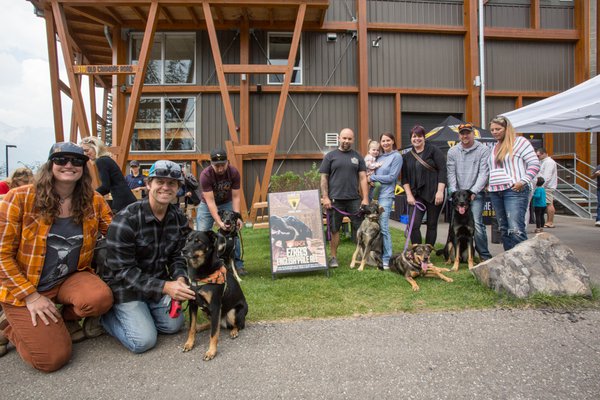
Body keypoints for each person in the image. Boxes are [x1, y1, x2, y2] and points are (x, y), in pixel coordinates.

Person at [0, 142, 113, 372]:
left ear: (84, 166)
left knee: (100, 299)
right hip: (25, 286)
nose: (69, 165)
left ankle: (61, 320)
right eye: (62, 160)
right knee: (52, 359)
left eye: (76, 161)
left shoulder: (93, 201)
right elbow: (1, 256)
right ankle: (8, 325)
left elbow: (117, 232)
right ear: (50, 164)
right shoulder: (19, 198)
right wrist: (31, 297)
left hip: (67, 278)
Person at [101, 160, 195, 354]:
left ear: (178, 188)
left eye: (172, 183)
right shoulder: (126, 219)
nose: (165, 187)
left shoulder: (178, 218)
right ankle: (106, 317)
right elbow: (123, 271)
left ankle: (143, 314)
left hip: (155, 285)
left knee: (173, 326)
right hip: (125, 287)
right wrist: (166, 287)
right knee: (143, 341)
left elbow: (178, 256)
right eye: (159, 181)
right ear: (148, 184)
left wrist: (179, 278)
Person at [487, 115, 540, 251]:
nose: (494, 132)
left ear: (507, 128)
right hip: (495, 191)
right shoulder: (493, 147)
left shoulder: (520, 142)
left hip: (515, 190)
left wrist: (522, 181)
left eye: (498, 129)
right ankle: (510, 262)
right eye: (492, 130)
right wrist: (489, 183)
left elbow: (534, 164)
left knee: (516, 229)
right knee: (503, 229)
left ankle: (524, 262)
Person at [319, 128, 369, 268]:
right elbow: (324, 178)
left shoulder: (358, 156)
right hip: (335, 201)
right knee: (334, 230)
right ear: (339, 138)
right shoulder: (330, 156)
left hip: (354, 199)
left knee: (361, 229)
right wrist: (325, 198)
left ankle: (364, 257)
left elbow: (363, 178)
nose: (346, 141)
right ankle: (333, 257)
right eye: (344, 138)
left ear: (353, 140)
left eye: (349, 138)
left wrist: (365, 198)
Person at [195, 149, 247, 275]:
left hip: (227, 202)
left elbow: (236, 197)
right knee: (202, 233)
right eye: (216, 166)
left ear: (227, 162)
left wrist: (236, 217)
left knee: (233, 231)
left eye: (222, 165)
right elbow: (211, 202)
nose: (220, 169)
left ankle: (238, 264)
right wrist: (219, 222)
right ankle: (202, 264)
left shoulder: (234, 172)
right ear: (211, 164)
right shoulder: (205, 175)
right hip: (207, 205)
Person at [446, 122, 492, 261]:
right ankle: (456, 255)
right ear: (459, 135)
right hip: (458, 196)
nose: (465, 135)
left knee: (477, 224)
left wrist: (473, 192)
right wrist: (454, 193)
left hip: (474, 194)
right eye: (462, 133)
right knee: (455, 226)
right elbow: (451, 173)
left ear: (473, 133)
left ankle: (484, 255)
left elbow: (484, 173)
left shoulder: (483, 150)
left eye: (468, 133)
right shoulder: (452, 151)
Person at [401, 125, 447, 246]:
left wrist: (440, 191)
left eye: (420, 136)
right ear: (410, 138)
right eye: (414, 136)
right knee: (413, 224)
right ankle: (417, 253)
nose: (417, 139)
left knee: (432, 224)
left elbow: (443, 170)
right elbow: (404, 178)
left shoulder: (434, 150)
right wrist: (409, 195)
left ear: (424, 137)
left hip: (434, 193)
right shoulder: (407, 156)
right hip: (416, 195)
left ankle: (427, 254)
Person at [368, 133, 402, 269]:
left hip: (386, 196)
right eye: (383, 141)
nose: (385, 143)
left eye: (388, 140)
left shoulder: (397, 156)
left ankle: (387, 258)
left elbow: (392, 177)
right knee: (374, 227)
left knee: (384, 227)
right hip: (374, 196)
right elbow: (372, 171)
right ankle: (376, 254)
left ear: (393, 141)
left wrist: (373, 179)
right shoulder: (379, 156)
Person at [79, 136, 136, 213]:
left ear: (96, 148)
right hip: (126, 200)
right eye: (83, 152)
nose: (85, 154)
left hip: (122, 202)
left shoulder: (101, 161)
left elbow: (106, 187)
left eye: (87, 150)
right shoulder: (106, 159)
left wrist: (88, 196)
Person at [536, 148, 558, 228]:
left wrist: (541, 186)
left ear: (544, 154)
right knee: (548, 203)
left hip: (547, 186)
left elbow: (547, 176)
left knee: (549, 203)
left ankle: (550, 222)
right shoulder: (543, 162)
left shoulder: (549, 162)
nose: (537, 157)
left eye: (539, 155)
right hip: (544, 186)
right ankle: (549, 221)